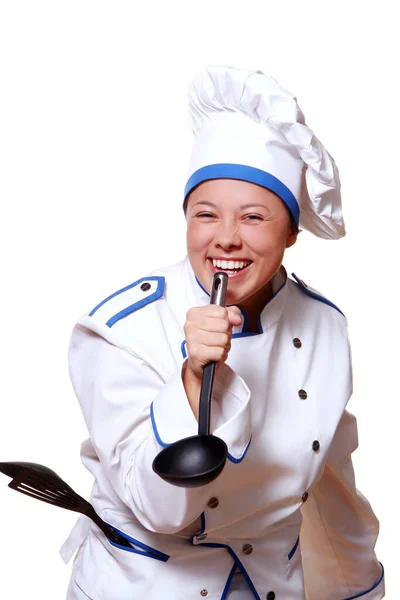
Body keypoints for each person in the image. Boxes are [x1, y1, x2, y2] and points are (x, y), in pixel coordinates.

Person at [61, 66, 384, 599]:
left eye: (254, 217)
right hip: (143, 586)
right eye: (206, 214)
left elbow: (330, 485)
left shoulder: (323, 326)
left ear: (291, 231)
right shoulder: (120, 330)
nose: (226, 240)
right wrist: (192, 380)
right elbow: (158, 506)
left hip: (267, 587)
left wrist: (358, 589)